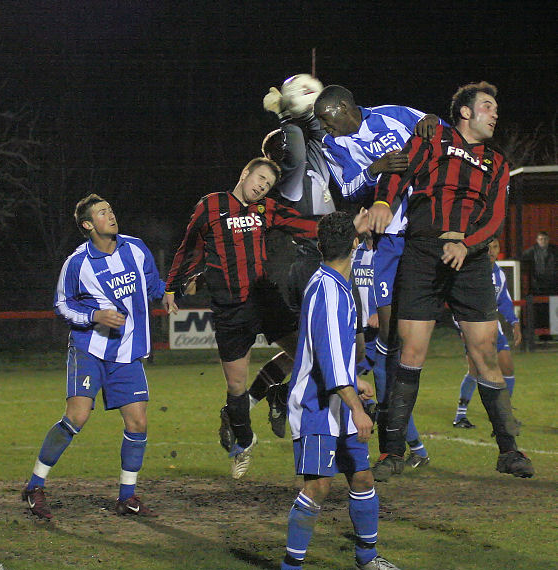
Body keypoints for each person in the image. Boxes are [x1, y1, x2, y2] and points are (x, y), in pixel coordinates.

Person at [368, 81, 534, 478]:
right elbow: (397, 173)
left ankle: (509, 451)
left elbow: (494, 216)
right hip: (422, 253)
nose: (495, 114)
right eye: (488, 106)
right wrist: (382, 202)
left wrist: (467, 243)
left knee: (484, 354)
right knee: (409, 353)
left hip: (471, 258)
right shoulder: (432, 139)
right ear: (464, 111)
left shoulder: (498, 161)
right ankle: (392, 454)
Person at [22, 194, 178, 520]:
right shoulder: (77, 263)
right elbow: (63, 305)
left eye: (111, 209)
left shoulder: (135, 248)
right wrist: (96, 316)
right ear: (88, 225)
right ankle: (34, 486)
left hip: (126, 352)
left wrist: (166, 292)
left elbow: (150, 282)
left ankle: (127, 497)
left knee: (138, 421)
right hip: (89, 349)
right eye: (103, 212)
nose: (111, 215)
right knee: (77, 416)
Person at [313, 85, 440, 481]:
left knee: (395, 345)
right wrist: (375, 168)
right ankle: (400, 446)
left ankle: (401, 444)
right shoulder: (334, 146)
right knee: (386, 342)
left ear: (345, 109)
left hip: (425, 228)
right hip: (385, 240)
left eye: (327, 119)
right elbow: (348, 189)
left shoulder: (393, 112)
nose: (324, 128)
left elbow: (440, 133)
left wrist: (434, 122)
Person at [275, 212, 405, 570]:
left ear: (319, 247)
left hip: (338, 397)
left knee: (362, 478)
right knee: (317, 487)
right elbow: (330, 361)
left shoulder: (334, 282)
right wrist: (356, 407)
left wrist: (356, 381)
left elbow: (332, 355)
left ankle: (368, 558)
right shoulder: (330, 291)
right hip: (318, 405)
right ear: (353, 244)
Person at [165, 158, 319, 479]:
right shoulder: (212, 205)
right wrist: (173, 286)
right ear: (245, 173)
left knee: (309, 354)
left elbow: (304, 224)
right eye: (260, 178)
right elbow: (189, 246)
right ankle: (244, 445)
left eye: (268, 184)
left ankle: (280, 394)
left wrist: (344, 228)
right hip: (231, 308)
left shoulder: (265, 210)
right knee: (235, 386)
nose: (262, 186)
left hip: (264, 298)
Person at [246, 78, 342, 437]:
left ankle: (268, 396)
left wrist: (306, 109)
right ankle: (291, 403)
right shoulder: (288, 177)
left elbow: (315, 136)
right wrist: (288, 116)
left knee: (307, 349)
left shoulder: (310, 162)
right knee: (318, 349)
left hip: (319, 259)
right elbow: (299, 147)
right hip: (295, 267)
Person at [352, 233, 430, 467]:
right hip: (358, 336)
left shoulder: (390, 253)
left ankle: (417, 450)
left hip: (381, 336)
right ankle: (367, 416)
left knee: (387, 393)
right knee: (345, 385)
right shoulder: (356, 253)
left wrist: (382, 312)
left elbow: (397, 288)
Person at [453, 238, 522, 427]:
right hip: (473, 328)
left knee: (507, 368)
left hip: (493, 329)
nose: (492, 251)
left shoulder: (499, 274)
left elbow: (504, 302)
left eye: (495, 247)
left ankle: (503, 415)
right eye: (488, 247)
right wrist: (461, 326)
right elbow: (456, 301)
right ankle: (460, 416)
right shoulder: (471, 271)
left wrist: (514, 322)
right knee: (475, 371)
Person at [521, 231, 558, 296]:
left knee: (553, 304)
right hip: (538, 285)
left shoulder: (555, 250)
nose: (543, 241)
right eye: (541, 239)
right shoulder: (533, 250)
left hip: (553, 284)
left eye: (545, 239)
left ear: (548, 240)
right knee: (539, 304)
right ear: (537, 240)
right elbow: (521, 256)